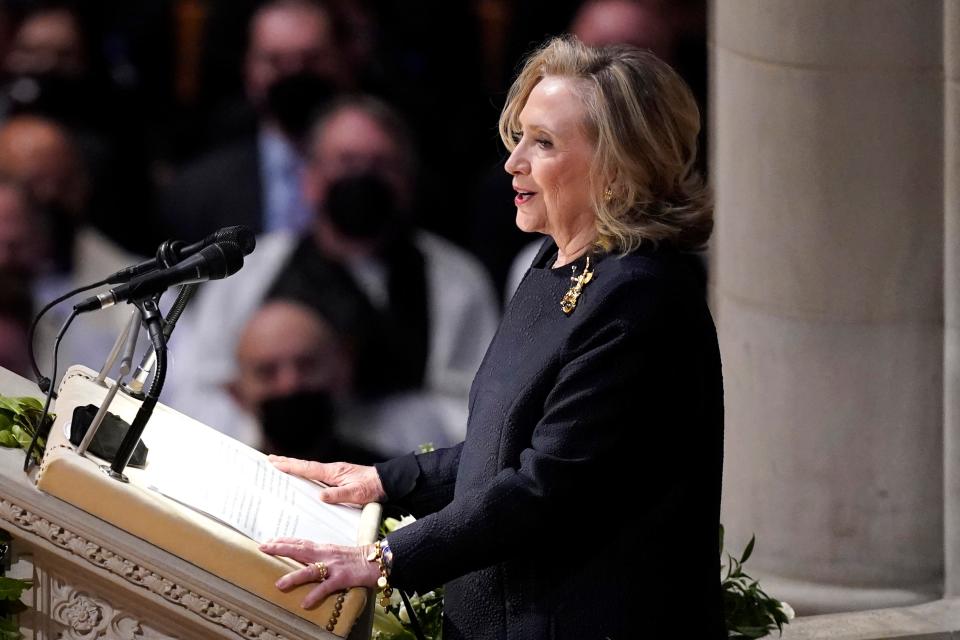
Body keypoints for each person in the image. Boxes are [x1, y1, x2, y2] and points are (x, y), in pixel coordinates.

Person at [258, 36, 725, 638]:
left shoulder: (643, 296)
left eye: (545, 143)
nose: (513, 161)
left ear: (617, 167)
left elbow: (547, 485)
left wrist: (383, 560)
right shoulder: (553, 267)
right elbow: (503, 444)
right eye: (521, 136)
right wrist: (382, 481)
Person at [166, 95, 498, 457]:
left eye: (381, 165)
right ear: (310, 178)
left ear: (407, 180)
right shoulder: (248, 268)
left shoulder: (457, 283)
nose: (361, 177)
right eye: (346, 162)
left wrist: (358, 441)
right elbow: (195, 391)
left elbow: (474, 412)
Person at [157, 0, 345, 242]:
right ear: (249, 68)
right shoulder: (195, 192)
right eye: (276, 61)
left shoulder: (383, 172)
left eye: (310, 59)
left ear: (339, 61)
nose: (295, 72)